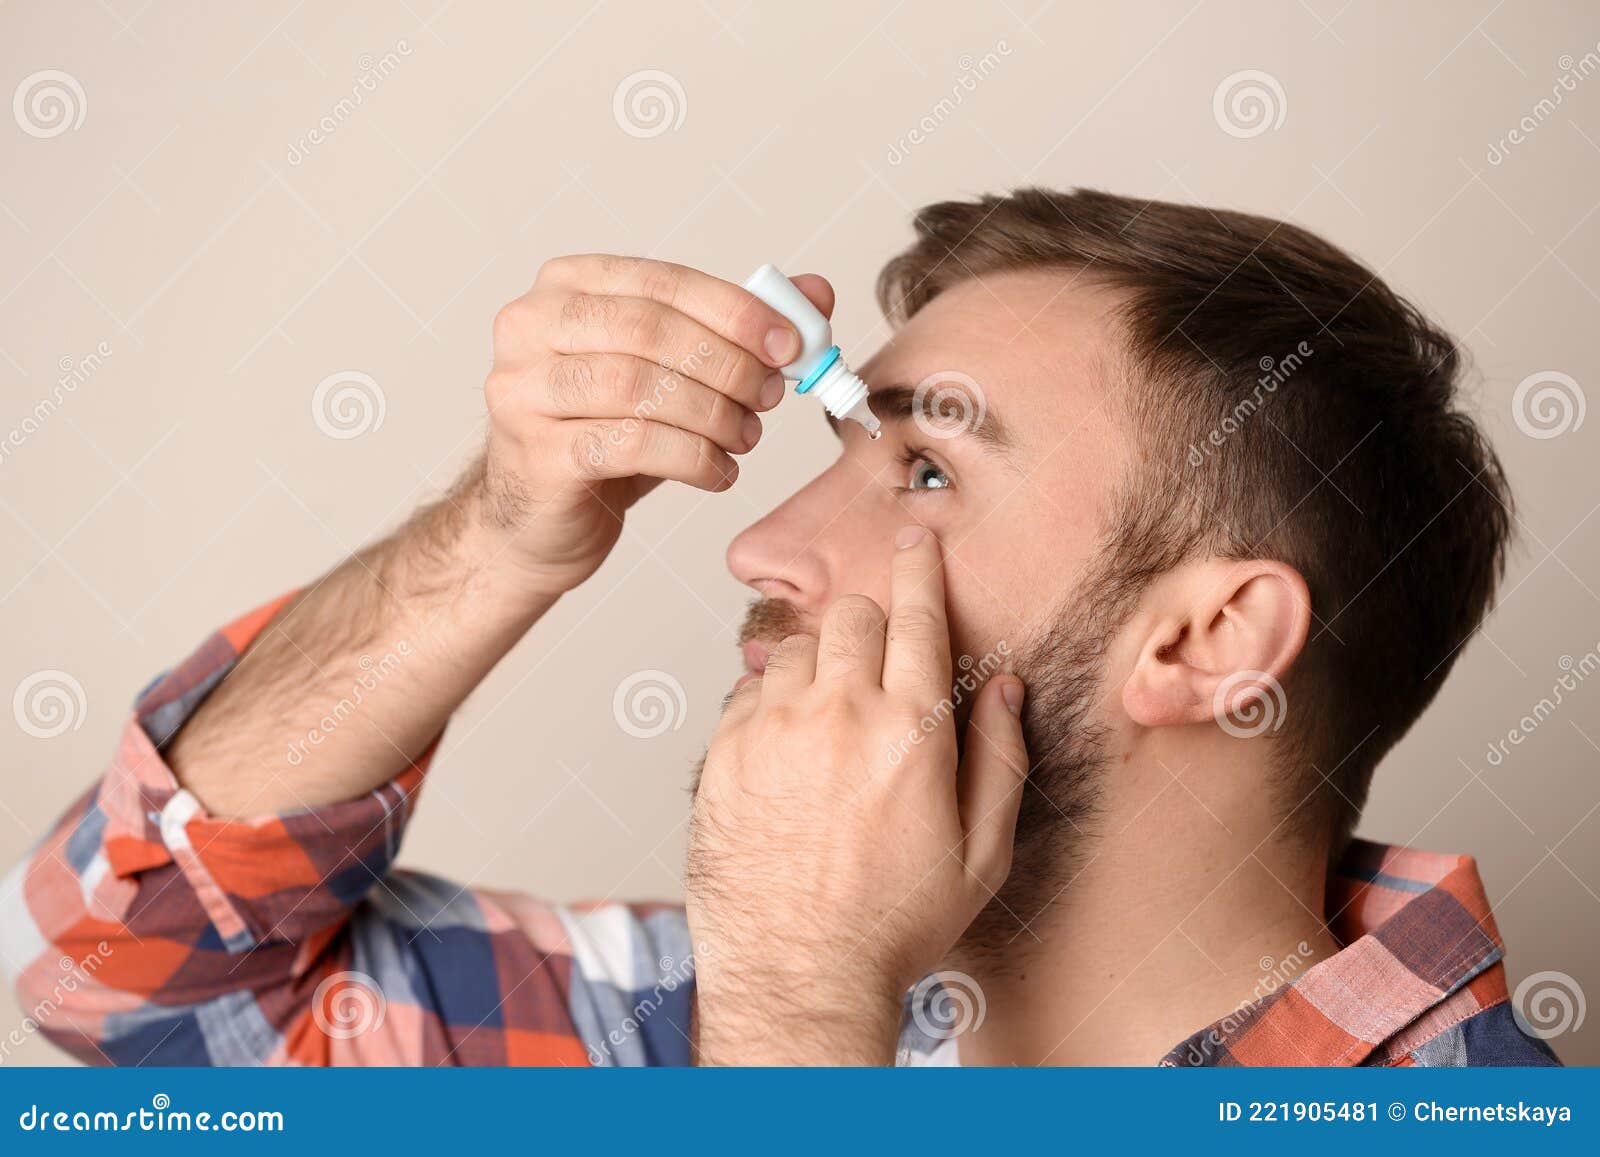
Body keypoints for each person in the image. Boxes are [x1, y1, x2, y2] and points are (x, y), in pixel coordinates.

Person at [1, 188, 1559, 1066]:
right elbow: (120, 974)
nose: (759, 545)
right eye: (844, 452)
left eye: (929, 466)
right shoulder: (693, 1014)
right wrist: (493, 541)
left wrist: (805, 1014)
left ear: (1209, 639)